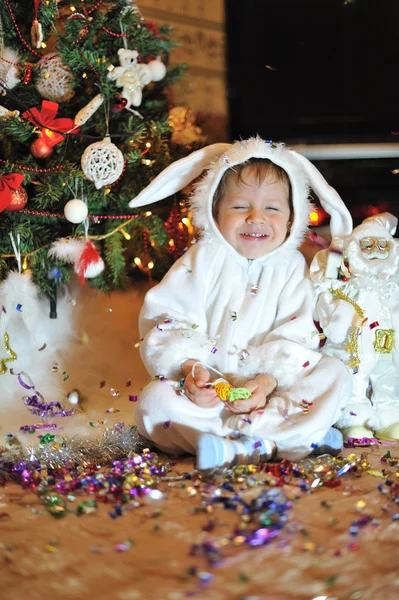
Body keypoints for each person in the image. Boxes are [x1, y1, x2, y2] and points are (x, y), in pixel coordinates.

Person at [129, 137, 353, 470]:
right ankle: (283, 440)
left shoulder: (292, 266)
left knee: (336, 373)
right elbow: (167, 317)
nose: (255, 218)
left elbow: (298, 334)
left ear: (293, 218)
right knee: (154, 403)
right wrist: (192, 372)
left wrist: (263, 384)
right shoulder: (201, 259)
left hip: (269, 395)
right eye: (239, 206)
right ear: (214, 212)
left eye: (272, 208)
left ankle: (253, 439)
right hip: (209, 398)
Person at [310, 212, 399, 441]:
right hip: (355, 341)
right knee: (356, 374)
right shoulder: (347, 279)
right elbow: (327, 288)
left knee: (388, 375)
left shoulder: (390, 284)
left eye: (382, 245)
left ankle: (389, 417)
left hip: (386, 338)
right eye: (368, 245)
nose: (376, 251)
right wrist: (338, 251)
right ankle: (354, 419)